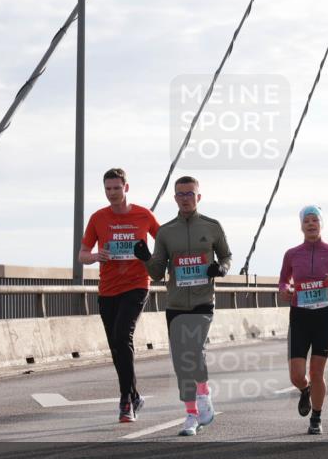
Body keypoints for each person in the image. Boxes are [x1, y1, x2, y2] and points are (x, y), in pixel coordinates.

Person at [134, 176, 231, 436]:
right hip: (176, 303)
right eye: (181, 194)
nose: (185, 197)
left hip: (202, 302)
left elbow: (227, 256)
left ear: (198, 197)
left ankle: (204, 395)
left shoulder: (212, 227)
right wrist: (145, 257)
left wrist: (220, 268)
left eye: (190, 193)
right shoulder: (166, 232)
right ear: (175, 198)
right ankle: (191, 415)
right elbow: (156, 272)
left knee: (193, 348)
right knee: (180, 361)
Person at [79, 168, 160, 423]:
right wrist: (94, 256)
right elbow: (82, 254)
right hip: (108, 289)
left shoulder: (144, 215)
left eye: (116, 188)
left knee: (122, 334)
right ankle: (134, 394)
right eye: (107, 189)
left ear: (126, 188)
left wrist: (148, 257)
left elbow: (165, 245)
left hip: (136, 284)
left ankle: (126, 401)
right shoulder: (98, 218)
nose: (112, 193)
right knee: (116, 345)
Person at [279, 206, 328, 435]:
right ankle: (305, 390)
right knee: (296, 375)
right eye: (307, 221)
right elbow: (283, 281)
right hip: (300, 316)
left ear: (321, 224)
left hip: (324, 317)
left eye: (315, 220)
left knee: (317, 370)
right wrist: (285, 290)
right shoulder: (292, 254)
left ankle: (317, 417)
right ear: (301, 226)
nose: (311, 224)